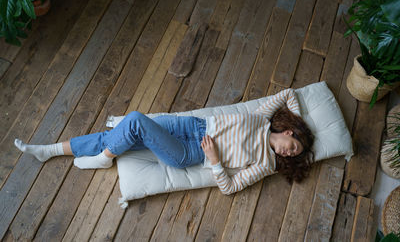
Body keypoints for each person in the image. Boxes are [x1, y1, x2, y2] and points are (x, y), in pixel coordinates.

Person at [14, 88, 314, 195]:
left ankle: (104, 158)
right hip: (191, 125)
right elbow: (288, 93)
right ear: (288, 133)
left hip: (188, 152)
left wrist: (214, 161)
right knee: (118, 136)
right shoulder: (262, 117)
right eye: (294, 145)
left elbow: (229, 188)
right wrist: (302, 123)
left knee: (133, 120)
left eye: (293, 154)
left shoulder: (265, 164)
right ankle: (49, 151)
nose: (289, 152)